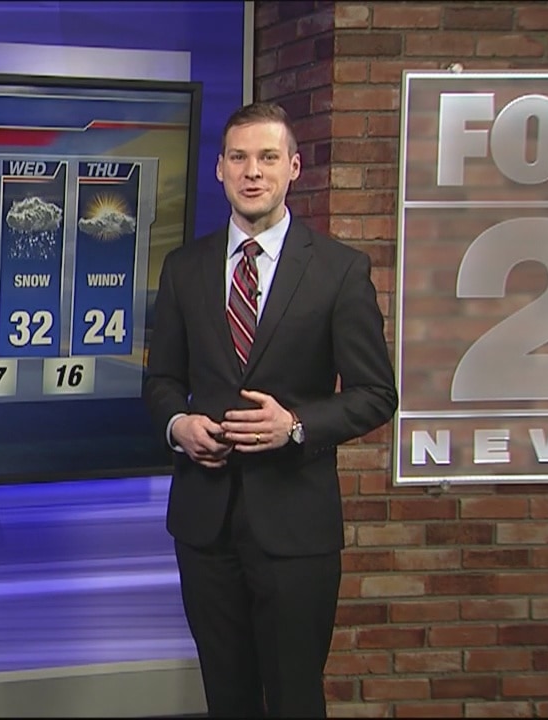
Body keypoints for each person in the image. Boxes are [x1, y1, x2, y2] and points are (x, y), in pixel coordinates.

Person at [143, 101, 398, 718]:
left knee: (293, 697)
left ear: (293, 167)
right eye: (239, 158)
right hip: (205, 526)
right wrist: (179, 425)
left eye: (267, 157)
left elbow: (375, 393)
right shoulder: (184, 269)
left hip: (295, 527)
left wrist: (297, 425)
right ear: (220, 169)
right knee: (227, 696)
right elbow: (162, 381)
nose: (252, 171)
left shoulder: (339, 271)